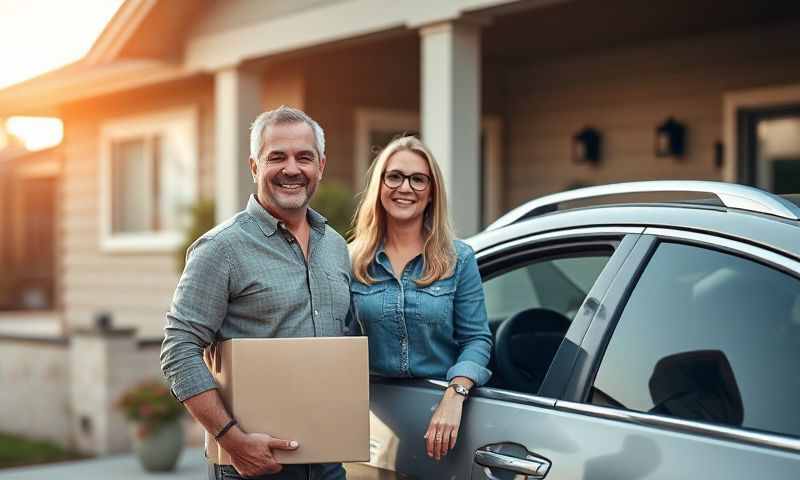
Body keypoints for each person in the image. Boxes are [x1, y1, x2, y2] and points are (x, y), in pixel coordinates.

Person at [160, 106, 351, 480]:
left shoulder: (337, 246)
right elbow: (178, 349)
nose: (292, 169)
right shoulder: (221, 249)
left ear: (321, 166)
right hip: (250, 466)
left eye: (304, 157)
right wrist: (232, 440)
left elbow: (344, 340)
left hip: (329, 463)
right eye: (276, 156)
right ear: (254, 166)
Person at [348, 136, 492, 461]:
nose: (405, 187)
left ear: (430, 194)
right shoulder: (351, 261)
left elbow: (477, 339)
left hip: (440, 417)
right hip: (370, 416)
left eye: (418, 179)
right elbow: (337, 342)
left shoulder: (459, 259)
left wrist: (455, 394)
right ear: (380, 186)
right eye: (395, 176)